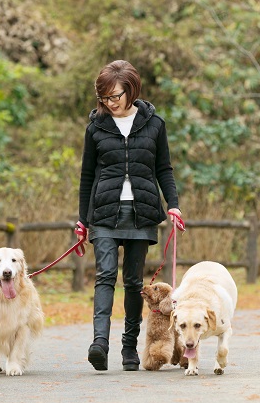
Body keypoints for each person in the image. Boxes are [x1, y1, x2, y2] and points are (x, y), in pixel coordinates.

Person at [76, 60, 182, 372]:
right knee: (105, 275)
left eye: (116, 96)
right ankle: (100, 343)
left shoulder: (154, 123)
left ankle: (129, 346)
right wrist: (83, 219)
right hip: (105, 213)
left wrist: (173, 203)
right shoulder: (96, 127)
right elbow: (86, 176)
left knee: (134, 281)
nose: (110, 103)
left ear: (131, 91)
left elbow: (163, 168)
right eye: (105, 98)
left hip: (142, 212)